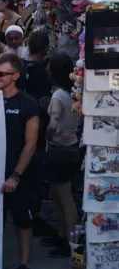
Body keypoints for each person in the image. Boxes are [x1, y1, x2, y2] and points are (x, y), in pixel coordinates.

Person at [0, 53, 41, 269]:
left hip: (20, 175)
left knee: (23, 221)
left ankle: (24, 266)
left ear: (15, 76)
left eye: (2, 74)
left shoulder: (27, 103)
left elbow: (31, 144)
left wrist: (16, 175)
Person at [43, 53, 80, 258]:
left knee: (64, 196)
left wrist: (50, 133)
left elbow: (54, 122)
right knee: (60, 194)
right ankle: (64, 234)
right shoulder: (73, 93)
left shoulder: (58, 96)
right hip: (71, 146)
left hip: (59, 149)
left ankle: (70, 241)